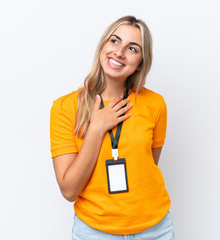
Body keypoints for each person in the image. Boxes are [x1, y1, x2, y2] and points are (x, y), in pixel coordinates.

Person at [50, 15, 174, 239]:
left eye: (132, 48)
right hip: (94, 231)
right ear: (103, 46)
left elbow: (147, 165)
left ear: (140, 64)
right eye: (114, 41)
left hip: (155, 229)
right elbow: (69, 190)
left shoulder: (155, 104)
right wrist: (96, 129)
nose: (119, 52)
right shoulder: (64, 108)